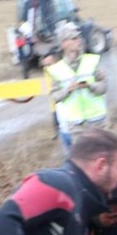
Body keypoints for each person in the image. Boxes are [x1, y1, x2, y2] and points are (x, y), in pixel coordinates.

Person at [46, 22, 108, 153]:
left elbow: (104, 87)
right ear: (64, 44)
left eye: (79, 37)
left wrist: (90, 86)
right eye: (74, 38)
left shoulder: (92, 61)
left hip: (97, 122)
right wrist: (67, 90)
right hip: (76, 127)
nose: (78, 41)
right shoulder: (56, 70)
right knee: (83, 164)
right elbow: (54, 96)